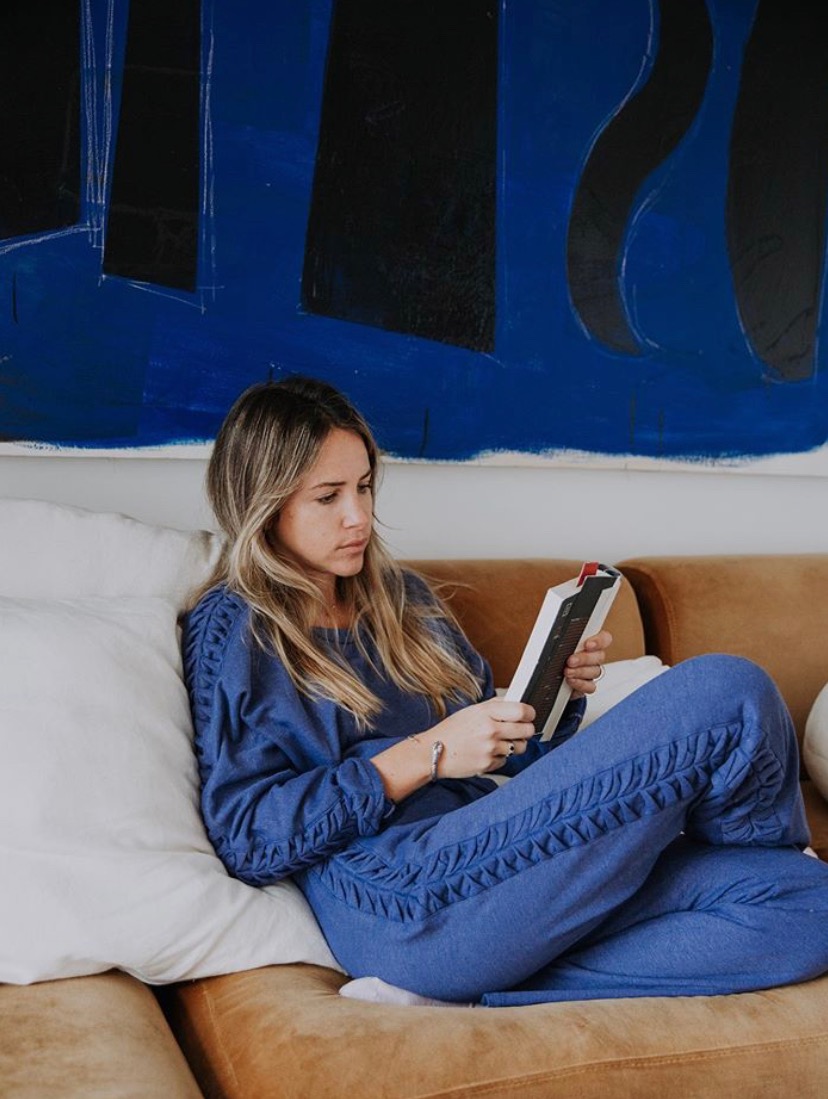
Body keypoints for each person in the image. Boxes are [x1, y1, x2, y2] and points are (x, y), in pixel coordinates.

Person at [182, 374, 828, 1006]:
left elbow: (499, 754)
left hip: (497, 864)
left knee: (806, 900)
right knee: (727, 692)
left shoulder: (405, 601)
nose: (359, 516)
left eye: (365, 486)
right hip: (398, 893)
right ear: (264, 504)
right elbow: (247, 838)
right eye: (328, 496)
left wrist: (555, 694)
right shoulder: (237, 625)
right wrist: (428, 753)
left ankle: (476, 986)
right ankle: (447, 971)